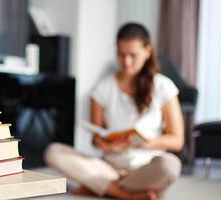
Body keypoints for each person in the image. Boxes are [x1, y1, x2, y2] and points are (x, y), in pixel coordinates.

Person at [44, 23, 184, 200]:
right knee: (54, 151)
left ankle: (102, 188)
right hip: (109, 168)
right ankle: (126, 194)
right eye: (121, 55)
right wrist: (109, 146)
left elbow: (177, 140)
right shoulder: (102, 88)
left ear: (147, 51)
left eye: (133, 55)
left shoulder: (164, 87)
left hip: (147, 169)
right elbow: (97, 138)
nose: (126, 62)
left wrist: (145, 143)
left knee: (170, 166)